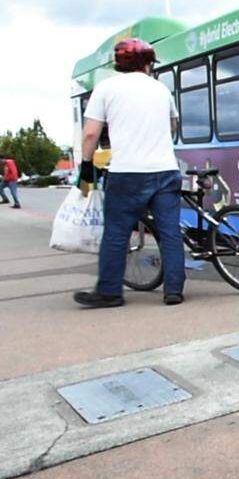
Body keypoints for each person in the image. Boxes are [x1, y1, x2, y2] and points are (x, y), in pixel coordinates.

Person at [74, 38, 185, 308]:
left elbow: (90, 133)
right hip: (166, 169)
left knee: (117, 232)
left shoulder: (106, 88)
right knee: (170, 231)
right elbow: (172, 126)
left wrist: (86, 165)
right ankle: (173, 290)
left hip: (128, 172)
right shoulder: (161, 90)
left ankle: (110, 292)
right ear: (147, 64)